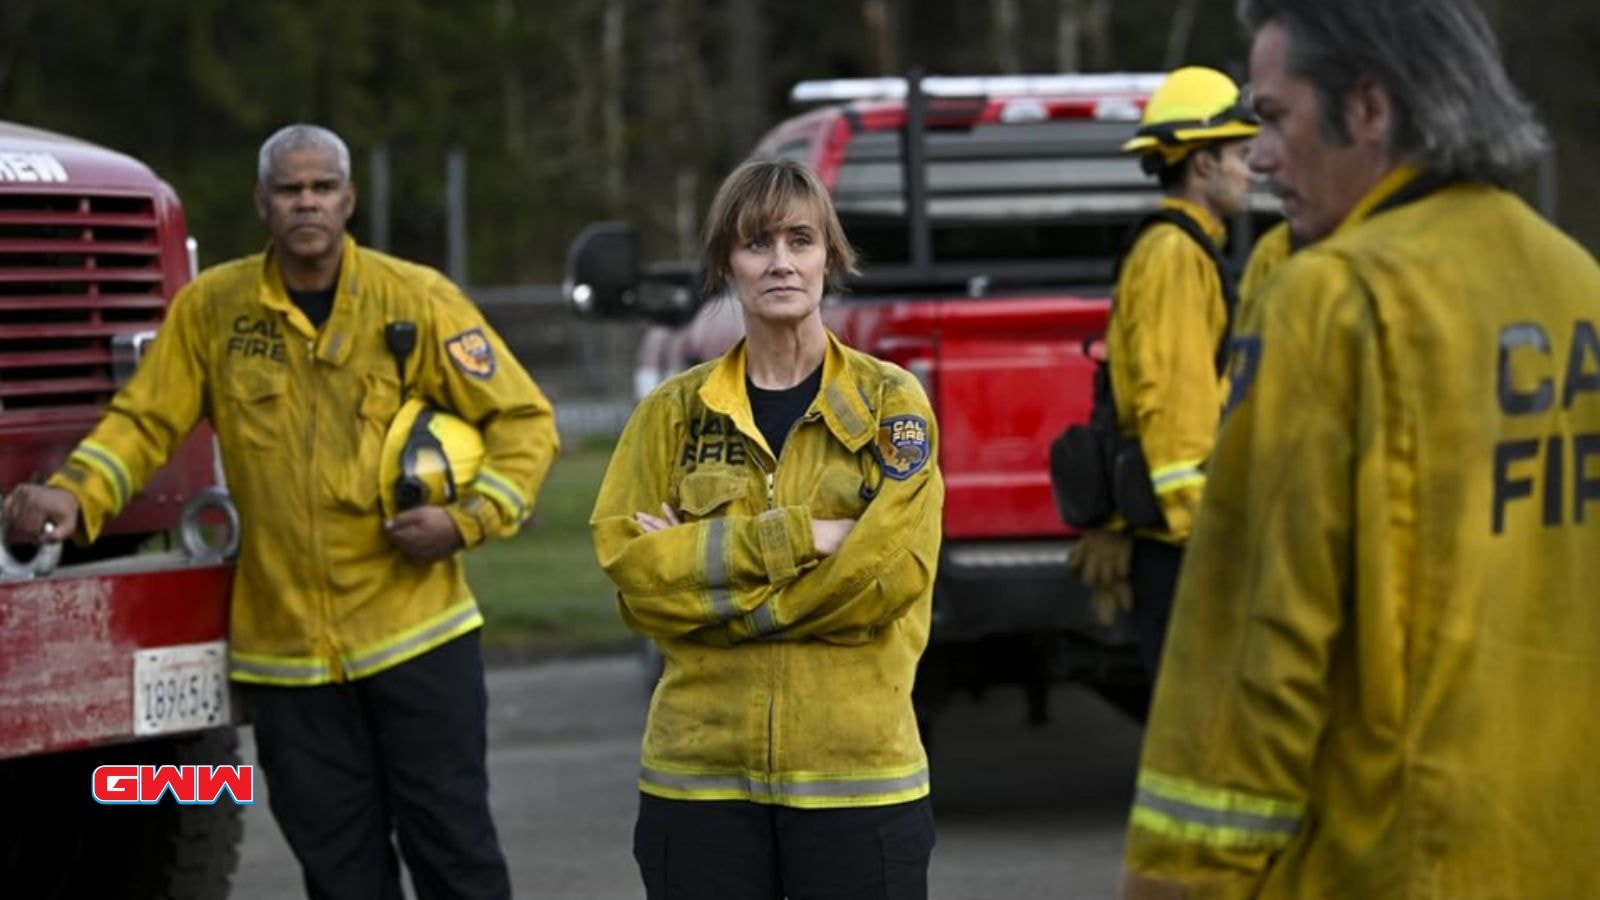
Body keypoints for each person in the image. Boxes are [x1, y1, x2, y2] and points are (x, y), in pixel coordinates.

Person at [4, 124, 559, 900]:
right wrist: (75, 495)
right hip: (288, 659)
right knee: (338, 873)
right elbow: (143, 423)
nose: (307, 202)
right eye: (290, 189)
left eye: (322, 188)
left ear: (348, 200)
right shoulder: (214, 311)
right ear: (262, 204)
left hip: (416, 640)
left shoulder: (417, 301)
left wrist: (467, 522)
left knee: (456, 854)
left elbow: (525, 422)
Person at [1121, 1, 1600, 896]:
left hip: (1390, 860)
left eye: (1272, 117)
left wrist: (1180, 878)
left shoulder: (1331, 300)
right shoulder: (1578, 284)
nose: (1258, 158)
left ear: (1369, 108)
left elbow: (1256, 640)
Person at [591, 157, 942, 900]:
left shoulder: (890, 403)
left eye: (800, 240)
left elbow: (887, 579)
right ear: (726, 262)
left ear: (829, 257)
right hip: (700, 784)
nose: (781, 262)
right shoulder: (672, 414)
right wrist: (804, 541)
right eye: (757, 244)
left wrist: (708, 580)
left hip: (859, 781)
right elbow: (637, 582)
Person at [1066, 66, 1258, 678]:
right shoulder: (1176, 254)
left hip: (1171, 538)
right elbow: (1175, 409)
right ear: (1202, 164)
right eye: (1240, 155)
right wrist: (1207, 535)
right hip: (1182, 545)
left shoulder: (1186, 247)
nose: (1250, 170)